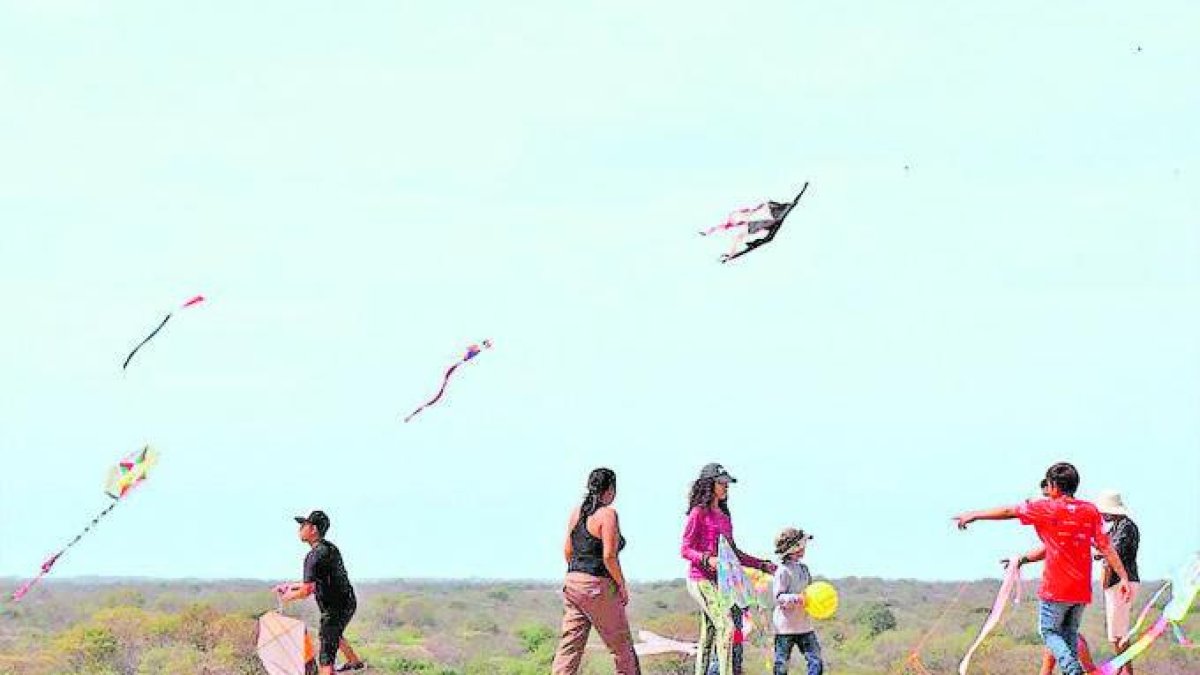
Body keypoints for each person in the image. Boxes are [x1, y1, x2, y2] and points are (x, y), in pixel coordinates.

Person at [954, 463, 1132, 675]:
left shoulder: (1047, 508)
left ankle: (1072, 669)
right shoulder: (1090, 511)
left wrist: (974, 515)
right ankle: (1071, 670)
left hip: (1056, 589)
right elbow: (1106, 547)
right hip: (1081, 591)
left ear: (1054, 486)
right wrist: (1123, 578)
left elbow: (1009, 511)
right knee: (1069, 635)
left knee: (1048, 631)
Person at [681, 463, 777, 675]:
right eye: (722, 483)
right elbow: (685, 549)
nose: (726, 487)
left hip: (721, 583)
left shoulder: (724, 518)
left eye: (727, 483)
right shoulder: (698, 513)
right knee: (727, 627)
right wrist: (707, 560)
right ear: (710, 485)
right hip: (700, 580)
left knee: (710, 633)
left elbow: (733, 554)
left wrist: (761, 565)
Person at [551, 468, 641, 675]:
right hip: (597, 586)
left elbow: (568, 550)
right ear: (610, 490)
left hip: (573, 583)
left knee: (570, 646)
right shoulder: (607, 515)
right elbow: (609, 556)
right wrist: (621, 585)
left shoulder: (577, 512)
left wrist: (578, 577)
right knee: (621, 647)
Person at [277, 510, 364, 674]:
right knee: (333, 633)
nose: (300, 529)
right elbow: (317, 581)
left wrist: (288, 597)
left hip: (334, 609)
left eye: (304, 525)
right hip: (348, 602)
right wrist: (291, 586)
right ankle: (354, 662)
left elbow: (307, 590)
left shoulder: (313, 557)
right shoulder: (330, 549)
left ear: (314, 529)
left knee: (326, 654)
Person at [1096, 490, 1140, 675]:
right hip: (1116, 583)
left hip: (1122, 583)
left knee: (1119, 633)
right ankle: (1124, 669)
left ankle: (1126, 671)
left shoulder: (1126, 527)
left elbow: (1115, 552)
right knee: (1116, 633)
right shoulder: (1117, 527)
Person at [771, 527, 823, 675]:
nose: (805, 548)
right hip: (785, 628)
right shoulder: (782, 571)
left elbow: (811, 591)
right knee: (781, 664)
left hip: (805, 626)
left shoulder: (804, 569)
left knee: (815, 660)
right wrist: (797, 598)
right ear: (794, 548)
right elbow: (778, 597)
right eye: (802, 544)